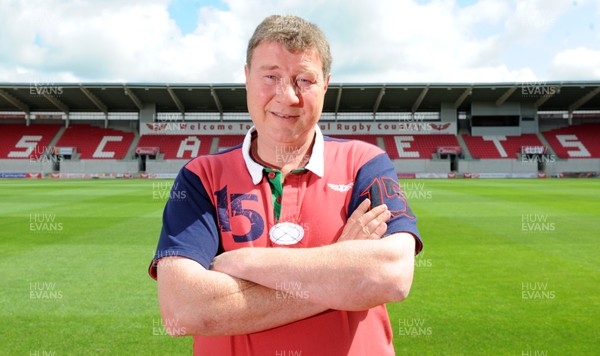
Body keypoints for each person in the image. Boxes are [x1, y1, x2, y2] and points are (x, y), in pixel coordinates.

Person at [148, 14, 423, 355]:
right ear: (247, 78)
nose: (287, 95)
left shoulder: (365, 163)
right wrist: (341, 273)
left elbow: (390, 276)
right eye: (271, 76)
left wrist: (241, 263)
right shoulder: (201, 176)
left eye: (304, 79)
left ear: (326, 84)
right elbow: (184, 310)